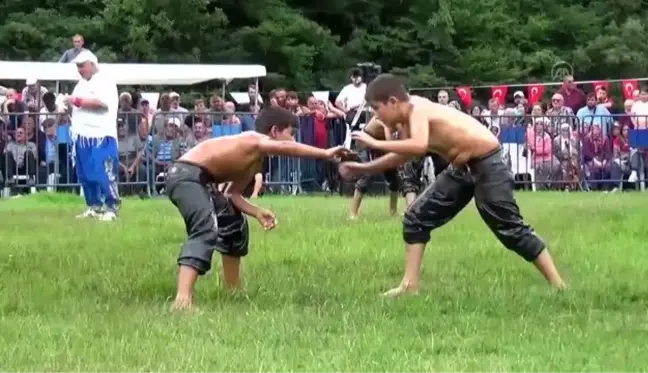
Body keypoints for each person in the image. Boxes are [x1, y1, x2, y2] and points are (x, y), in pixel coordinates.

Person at [339, 74, 566, 297]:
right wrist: (362, 169)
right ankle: (410, 287)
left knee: (510, 228)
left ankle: (559, 286)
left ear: (392, 102)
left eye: (376, 110)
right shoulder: (408, 118)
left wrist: (374, 142)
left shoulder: (418, 108)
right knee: (416, 218)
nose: (376, 118)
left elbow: (418, 146)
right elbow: (404, 155)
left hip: (489, 162)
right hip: (463, 168)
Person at [165, 106, 350, 311]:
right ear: (274, 132)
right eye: (291, 134)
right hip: (185, 175)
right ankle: (182, 300)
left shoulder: (254, 162)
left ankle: (232, 290)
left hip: (199, 180)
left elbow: (233, 195)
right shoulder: (253, 139)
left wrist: (257, 212)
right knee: (206, 228)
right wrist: (324, 152)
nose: (294, 141)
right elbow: (289, 149)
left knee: (234, 222)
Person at [66, 50, 120, 221]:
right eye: (77, 66)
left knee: (104, 171)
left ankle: (112, 208)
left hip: (101, 135)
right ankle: (94, 206)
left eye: (82, 66)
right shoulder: (80, 84)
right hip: (81, 135)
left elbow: (100, 104)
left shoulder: (105, 81)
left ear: (92, 64)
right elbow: (77, 107)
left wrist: (75, 100)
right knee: (85, 174)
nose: (80, 70)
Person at [349, 116, 400, 218]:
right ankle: (353, 214)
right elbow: (390, 144)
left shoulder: (402, 117)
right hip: (365, 142)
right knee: (367, 174)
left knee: (394, 178)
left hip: (380, 143)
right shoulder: (385, 116)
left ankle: (393, 212)